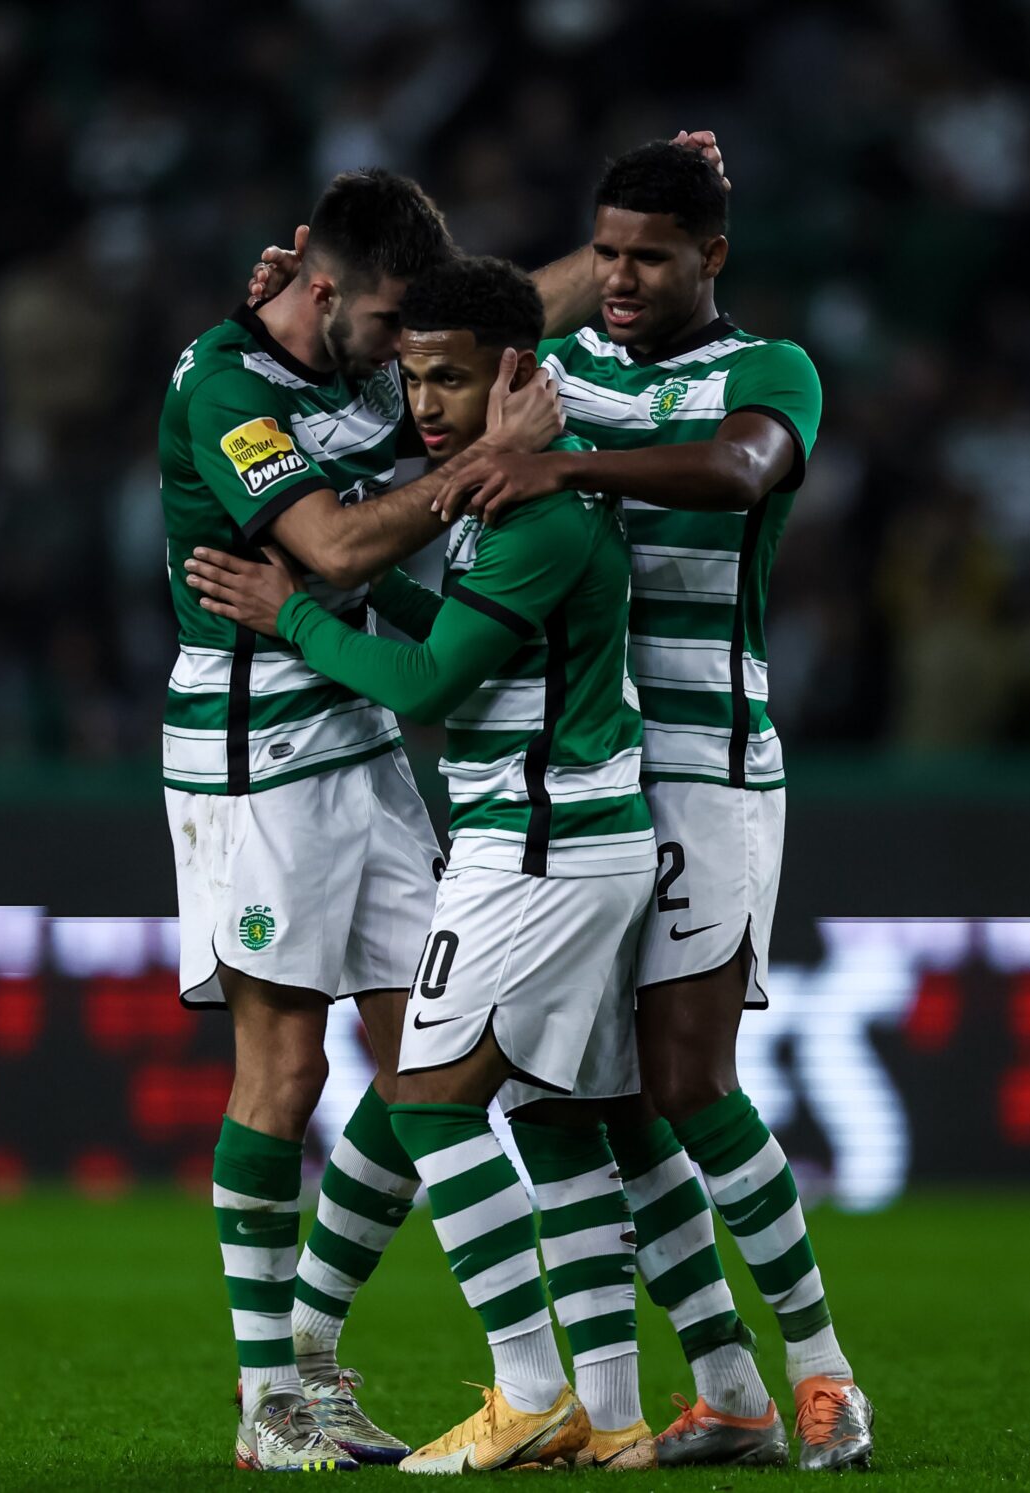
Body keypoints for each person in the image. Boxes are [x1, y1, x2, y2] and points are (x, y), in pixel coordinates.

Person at [159, 162, 630, 1471]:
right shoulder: (230, 390)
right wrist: (490, 458)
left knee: (427, 1062)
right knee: (287, 1072)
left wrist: (620, 250)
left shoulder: (368, 352)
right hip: (256, 752)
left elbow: (502, 314)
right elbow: (336, 550)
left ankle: (316, 1358)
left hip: (362, 737)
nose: (404, 362)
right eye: (386, 330)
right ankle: (271, 1396)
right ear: (321, 293)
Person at [445, 139, 872, 1472]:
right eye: (607, 253)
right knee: (605, 1103)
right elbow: (464, 329)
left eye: (652, 256)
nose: (622, 279)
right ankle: (730, 1389)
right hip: (588, 774)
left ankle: (824, 1375)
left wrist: (563, 470)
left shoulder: (769, 370)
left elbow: (741, 470)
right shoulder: (558, 369)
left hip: (708, 767)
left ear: (714, 258)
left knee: (689, 1081)